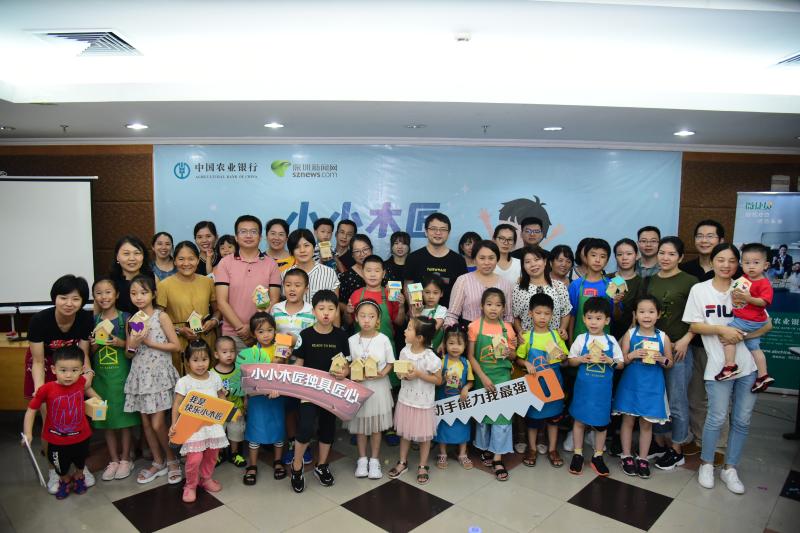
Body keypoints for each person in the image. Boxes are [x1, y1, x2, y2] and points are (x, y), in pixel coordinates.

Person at [683, 243, 772, 494]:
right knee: (717, 417)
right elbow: (694, 325)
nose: (726, 265)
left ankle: (730, 468)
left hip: (749, 366)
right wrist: (722, 330)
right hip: (719, 366)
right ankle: (707, 463)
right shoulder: (700, 290)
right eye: (721, 260)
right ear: (712, 262)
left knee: (742, 420)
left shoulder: (745, 287)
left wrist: (742, 335)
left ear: (738, 264)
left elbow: (767, 324)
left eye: (732, 261)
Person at [25, 275, 95, 494]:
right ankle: (53, 470)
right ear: (54, 298)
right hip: (46, 368)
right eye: (63, 297)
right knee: (50, 421)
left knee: (75, 417)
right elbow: (38, 361)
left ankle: (80, 467)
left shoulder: (85, 319)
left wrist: (88, 373)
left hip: (72, 368)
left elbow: (83, 354)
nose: (69, 303)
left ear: (82, 301)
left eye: (75, 299)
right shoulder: (39, 320)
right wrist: (40, 390)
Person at [680, 219, 740, 457]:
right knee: (695, 397)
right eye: (700, 236)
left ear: (721, 240)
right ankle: (699, 439)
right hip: (696, 344)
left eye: (710, 236)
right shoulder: (687, 269)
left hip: (727, 347)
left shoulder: (737, 276)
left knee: (721, 399)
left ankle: (719, 446)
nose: (704, 240)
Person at [644, 236, 699, 470]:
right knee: (657, 398)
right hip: (653, 348)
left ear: (681, 257)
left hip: (678, 349)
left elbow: (699, 315)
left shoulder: (690, 282)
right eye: (662, 253)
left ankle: (677, 449)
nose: (665, 258)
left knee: (677, 401)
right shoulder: (651, 280)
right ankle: (659, 443)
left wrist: (687, 339)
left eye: (671, 254)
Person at [123, 274, 182, 485]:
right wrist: (133, 344)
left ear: (153, 294)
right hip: (140, 375)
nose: (138, 297)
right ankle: (158, 461)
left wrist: (148, 342)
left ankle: (172, 459)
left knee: (158, 423)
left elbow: (176, 346)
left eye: (143, 292)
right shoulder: (132, 320)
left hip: (159, 375)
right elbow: (128, 354)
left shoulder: (161, 316)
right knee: (146, 423)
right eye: (134, 293)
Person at [290, 290, 350, 493]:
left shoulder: (341, 335)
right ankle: (296, 466)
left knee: (328, 428)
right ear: (313, 311)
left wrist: (345, 372)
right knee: (305, 427)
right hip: (308, 391)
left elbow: (346, 365)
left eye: (331, 309)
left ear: (336, 312)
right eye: (321, 308)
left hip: (331, 391)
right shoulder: (305, 335)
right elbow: (299, 363)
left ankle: (322, 466)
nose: (326, 313)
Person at [23, 346, 102, 499]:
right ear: (53, 369)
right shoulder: (46, 389)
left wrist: (100, 402)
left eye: (74, 370)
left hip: (81, 437)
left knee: (80, 463)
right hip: (56, 440)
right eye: (63, 370)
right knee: (61, 468)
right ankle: (64, 481)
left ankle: (79, 478)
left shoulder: (81, 382)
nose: (68, 375)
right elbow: (31, 410)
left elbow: (90, 392)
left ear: (81, 370)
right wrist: (28, 433)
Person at [613, 296, 673, 479]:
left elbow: (670, 363)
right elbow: (622, 360)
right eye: (642, 312)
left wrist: (662, 359)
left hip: (652, 386)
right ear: (635, 315)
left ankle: (643, 458)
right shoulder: (630, 334)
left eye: (651, 312)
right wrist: (632, 355)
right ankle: (626, 456)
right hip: (631, 384)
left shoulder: (663, 337)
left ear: (658, 314)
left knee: (646, 424)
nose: (646, 316)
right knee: (628, 421)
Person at [567, 297, 624, 476]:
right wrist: (581, 359)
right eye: (590, 318)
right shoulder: (581, 339)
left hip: (602, 392)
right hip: (583, 390)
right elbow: (571, 360)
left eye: (598, 318)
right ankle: (577, 454)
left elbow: (621, 364)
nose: (593, 322)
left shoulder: (611, 341)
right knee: (579, 421)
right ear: (584, 319)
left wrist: (610, 361)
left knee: (601, 424)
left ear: (607, 320)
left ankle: (598, 456)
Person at [90, 277, 139, 482]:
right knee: (106, 420)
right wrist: (95, 343)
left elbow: (135, 347)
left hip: (122, 376)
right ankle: (113, 459)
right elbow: (89, 352)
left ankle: (126, 458)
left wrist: (119, 342)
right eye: (99, 293)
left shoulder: (126, 318)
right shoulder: (92, 320)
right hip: (101, 379)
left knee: (124, 420)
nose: (104, 296)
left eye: (108, 292)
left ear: (117, 294)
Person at [467, 288, 518, 481]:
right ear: (482, 306)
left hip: (502, 377)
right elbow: (471, 356)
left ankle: (498, 458)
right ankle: (487, 448)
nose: (493, 308)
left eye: (498, 305)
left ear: (504, 308)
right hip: (482, 377)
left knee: (502, 417)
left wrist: (509, 353)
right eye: (489, 304)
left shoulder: (508, 328)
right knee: (484, 417)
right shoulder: (474, 326)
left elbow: (514, 356)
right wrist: (482, 377)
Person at [169, 340, 228, 503]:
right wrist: (174, 424)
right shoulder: (184, 382)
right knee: (194, 459)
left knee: (212, 455)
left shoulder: (215, 377)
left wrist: (224, 411)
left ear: (210, 359)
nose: (200, 364)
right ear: (187, 361)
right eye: (195, 360)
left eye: (204, 359)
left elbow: (221, 396)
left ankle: (206, 478)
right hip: (193, 429)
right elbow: (177, 404)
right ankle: (190, 485)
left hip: (212, 426)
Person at [515, 293, 568, 468]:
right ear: (530, 313)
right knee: (533, 419)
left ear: (552, 315)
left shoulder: (555, 336)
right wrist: (526, 363)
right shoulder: (527, 337)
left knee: (554, 419)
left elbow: (565, 360)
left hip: (554, 384)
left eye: (546, 313)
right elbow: (518, 358)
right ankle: (532, 449)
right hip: (534, 385)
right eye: (538, 313)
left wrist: (562, 357)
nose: (542, 317)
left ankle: (553, 449)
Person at [387, 316, 443, 485]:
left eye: (409, 328)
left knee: (424, 436)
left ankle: (423, 465)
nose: (405, 331)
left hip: (423, 403)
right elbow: (399, 371)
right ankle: (402, 462)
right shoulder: (405, 351)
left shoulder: (430, 357)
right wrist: (402, 375)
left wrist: (418, 374)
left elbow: (438, 380)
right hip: (406, 399)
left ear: (419, 337)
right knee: (405, 432)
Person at [214, 215, 282, 352]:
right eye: (243, 231)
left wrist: (253, 328)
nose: (248, 236)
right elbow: (221, 302)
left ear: (260, 237)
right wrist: (241, 328)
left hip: (263, 334)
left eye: (253, 232)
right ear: (236, 237)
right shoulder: (225, 263)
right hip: (233, 334)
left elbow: (274, 300)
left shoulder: (271, 264)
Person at [235, 312, 286, 485]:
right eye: (260, 331)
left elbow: (286, 373)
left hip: (277, 396)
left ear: (275, 330)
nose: (266, 335)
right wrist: (246, 397)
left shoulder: (281, 348)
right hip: (257, 398)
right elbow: (246, 379)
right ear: (253, 333)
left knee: (278, 427)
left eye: (270, 330)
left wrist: (281, 361)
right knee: (254, 430)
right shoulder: (250, 353)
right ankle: (252, 465)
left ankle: (278, 461)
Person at [347, 300, 395, 480]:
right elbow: (347, 363)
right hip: (359, 387)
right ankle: (362, 459)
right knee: (360, 425)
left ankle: (374, 460)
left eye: (371, 316)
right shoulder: (352, 340)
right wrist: (352, 373)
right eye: (363, 316)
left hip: (378, 387)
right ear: (356, 318)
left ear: (378, 319)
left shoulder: (383, 339)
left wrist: (382, 373)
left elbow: (390, 362)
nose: (367, 320)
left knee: (376, 426)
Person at [273, 268, 316, 466]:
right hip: (282, 367)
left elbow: (314, 338)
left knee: (304, 407)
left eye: (297, 285)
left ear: (306, 289)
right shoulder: (276, 309)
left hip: (305, 367)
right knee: (289, 407)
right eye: (288, 285)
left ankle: (305, 443)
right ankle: (292, 442)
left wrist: (295, 341)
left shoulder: (312, 311)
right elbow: (269, 335)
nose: (292, 289)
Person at [157, 241, 220, 373]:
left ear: (197, 260)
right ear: (174, 261)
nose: (186, 263)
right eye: (181, 259)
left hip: (205, 338)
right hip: (178, 340)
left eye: (191, 259)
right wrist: (179, 330)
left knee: (207, 378)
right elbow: (157, 318)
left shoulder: (207, 282)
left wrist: (213, 321)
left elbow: (217, 311)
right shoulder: (164, 285)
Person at [719, 243, 773, 391]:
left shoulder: (764, 283)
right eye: (747, 263)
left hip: (750, 321)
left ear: (765, 265)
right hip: (751, 320)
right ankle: (763, 376)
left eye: (756, 263)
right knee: (754, 347)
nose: (751, 266)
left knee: (728, 334)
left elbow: (764, 302)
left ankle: (730, 366)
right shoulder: (744, 279)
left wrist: (749, 299)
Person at [444, 240, 513, 328]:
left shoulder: (505, 284)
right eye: (482, 258)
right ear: (474, 260)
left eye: (491, 258)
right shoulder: (463, 280)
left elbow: (508, 316)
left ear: (497, 259)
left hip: (497, 333)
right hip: (468, 330)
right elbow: (452, 315)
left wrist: (506, 332)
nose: (487, 263)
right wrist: (452, 332)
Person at [405, 212, 468, 307]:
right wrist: (413, 308)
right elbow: (408, 284)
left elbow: (463, 290)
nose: (438, 233)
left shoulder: (458, 260)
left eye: (443, 229)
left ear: (449, 233)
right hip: (420, 313)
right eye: (433, 228)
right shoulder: (413, 258)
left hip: (449, 314)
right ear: (426, 231)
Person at [434, 325, 474, 470]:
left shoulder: (465, 363)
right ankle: (442, 453)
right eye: (451, 343)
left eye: (459, 344)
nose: (455, 347)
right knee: (443, 425)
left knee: (462, 425)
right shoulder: (441, 361)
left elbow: (470, 381)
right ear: (445, 344)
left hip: (461, 401)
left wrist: (466, 388)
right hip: (443, 400)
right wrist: (443, 379)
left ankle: (462, 453)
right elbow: (436, 381)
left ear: (465, 345)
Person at [512, 246, 571, 340]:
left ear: (545, 261)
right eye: (527, 262)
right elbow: (516, 316)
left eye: (537, 259)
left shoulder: (559, 286)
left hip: (553, 341)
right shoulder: (519, 289)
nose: (533, 264)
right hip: (528, 342)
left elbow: (566, 312)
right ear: (523, 266)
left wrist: (563, 329)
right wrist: (520, 332)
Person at [210, 336, 246, 468]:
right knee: (218, 432)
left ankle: (234, 453)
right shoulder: (212, 374)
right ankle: (219, 453)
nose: (229, 355)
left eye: (232, 351)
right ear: (216, 354)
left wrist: (245, 401)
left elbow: (244, 388)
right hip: (219, 411)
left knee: (236, 431)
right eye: (224, 352)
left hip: (236, 409)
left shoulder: (239, 370)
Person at [568, 238, 614, 338]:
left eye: (602, 256)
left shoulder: (612, 285)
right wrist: (571, 342)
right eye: (593, 255)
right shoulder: (576, 285)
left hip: (604, 341)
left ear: (607, 261)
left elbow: (616, 316)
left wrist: (617, 303)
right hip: (579, 341)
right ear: (586, 257)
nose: (597, 260)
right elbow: (572, 315)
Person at [287, 228, 340, 305]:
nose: (302, 250)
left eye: (306, 245)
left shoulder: (329, 273)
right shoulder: (285, 274)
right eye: (297, 247)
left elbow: (335, 306)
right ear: (291, 252)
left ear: (314, 247)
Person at [111, 235, 154, 314]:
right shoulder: (110, 281)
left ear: (143, 256)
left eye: (137, 253)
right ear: (117, 257)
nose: (132, 258)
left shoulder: (150, 277)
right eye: (126, 253)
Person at [609, 238, 643, 341]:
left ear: (636, 255)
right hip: (604, 332)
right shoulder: (607, 279)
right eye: (619, 254)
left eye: (629, 254)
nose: (624, 258)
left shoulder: (642, 282)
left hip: (630, 335)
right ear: (615, 257)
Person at [412, 275, 448, 352]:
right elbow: (412, 331)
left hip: (433, 352)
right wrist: (417, 312)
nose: (431, 296)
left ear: (441, 294)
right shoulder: (417, 309)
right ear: (421, 292)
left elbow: (432, 330)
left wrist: (417, 315)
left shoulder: (441, 310)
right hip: (417, 350)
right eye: (427, 292)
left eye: (435, 293)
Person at [338, 234, 373, 311]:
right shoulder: (345, 277)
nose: (362, 254)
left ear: (371, 249)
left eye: (365, 249)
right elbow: (338, 302)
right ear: (352, 255)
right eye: (357, 251)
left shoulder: (384, 271)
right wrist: (349, 309)